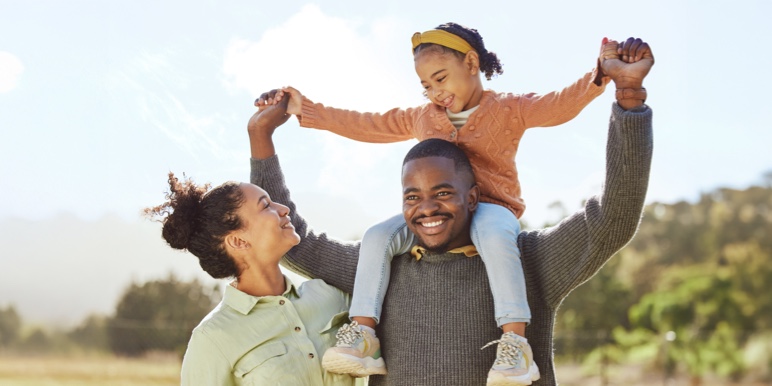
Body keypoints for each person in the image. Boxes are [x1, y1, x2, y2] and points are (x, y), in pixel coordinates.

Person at [251, 36, 653, 386]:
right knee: (376, 233)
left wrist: (627, 96)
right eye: (412, 197)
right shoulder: (381, 262)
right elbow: (293, 243)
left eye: (443, 193)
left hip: (501, 221)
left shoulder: (530, 259)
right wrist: (264, 136)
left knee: (496, 235)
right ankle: (363, 335)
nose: (427, 209)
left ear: (472, 196)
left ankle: (515, 342)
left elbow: (612, 218)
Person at [145, 116, 358, 386]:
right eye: (265, 205)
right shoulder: (213, 338)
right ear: (238, 241)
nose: (284, 209)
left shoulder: (332, 295)